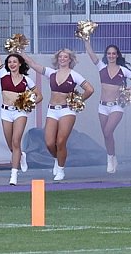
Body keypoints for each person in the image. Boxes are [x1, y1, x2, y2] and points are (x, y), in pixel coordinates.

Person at [23, 47, 93, 181]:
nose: (62, 59)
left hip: (67, 110)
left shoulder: (74, 75)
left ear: (70, 60)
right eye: (60, 57)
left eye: (65, 57)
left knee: (60, 141)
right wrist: (21, 52)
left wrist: (78, 101)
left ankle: (60, 169)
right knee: (49, 142)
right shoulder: (51, 73)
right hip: (52, 110)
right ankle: (57, 158)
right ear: (57, 59)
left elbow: (89, 89)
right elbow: (33, 64)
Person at [83, 38, 131, 174]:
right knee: (106, 135)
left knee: (107, 131)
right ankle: (112, 157)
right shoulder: (101, 67)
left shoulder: (123, 70)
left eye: (113, 53)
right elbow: (91, 54)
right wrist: (86, 41)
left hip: (117, 106)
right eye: (109, 53)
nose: (111, 56)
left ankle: (110, 159)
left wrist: (127, 91)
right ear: (106, 55)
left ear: (117, 55)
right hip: (102, 106)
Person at [0, 36, 36, 185]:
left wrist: (29, 103)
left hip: (20, 112)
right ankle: (21, 155)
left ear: (20, 63)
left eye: (15, 61)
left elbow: (39, 95)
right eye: (9, 62)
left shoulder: (27, 80)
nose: (12, 64)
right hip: (6, 112)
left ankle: (13, 175)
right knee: (11, 145)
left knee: (16, 141)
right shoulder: (3, 75)